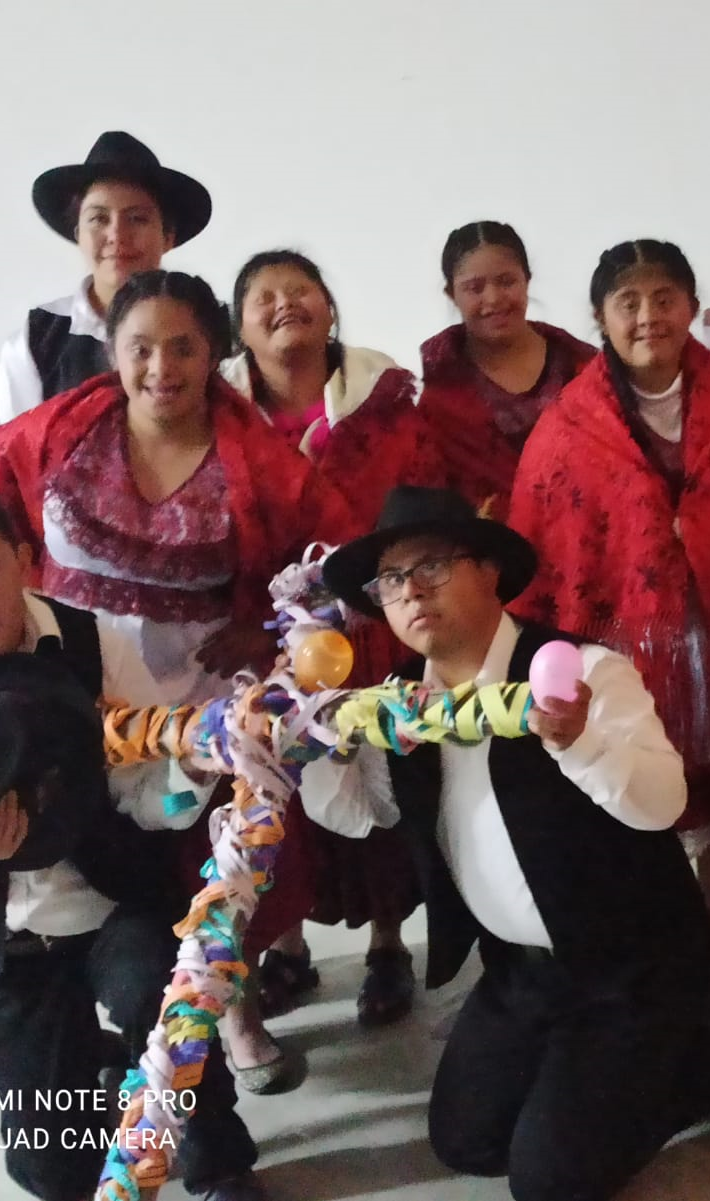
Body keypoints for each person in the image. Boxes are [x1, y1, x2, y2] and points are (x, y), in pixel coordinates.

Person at [307, 485, 710, 1201]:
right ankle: (598, 1073)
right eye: (391, 580)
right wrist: (314, 737)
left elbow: (664, 802)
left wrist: (577, 741)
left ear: (488, 569)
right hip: (520, 973)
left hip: (632, 966)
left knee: (548, 1183)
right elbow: (359, 812)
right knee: (467, 1142)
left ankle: (709, 1053)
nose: (411, 592)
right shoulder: (399, 703)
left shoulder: (580, 671)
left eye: (431, 565)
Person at [0, 270, 353, 1092]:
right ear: (113, 352)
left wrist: (265, 625)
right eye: (140, 348)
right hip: (75, 678)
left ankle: (233, 1010)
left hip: (199, 682)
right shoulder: (60, 431)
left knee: (213, 851)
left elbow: (329, 565)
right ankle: (115, 1012)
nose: (161, 367)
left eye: (182, 348)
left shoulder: (260, 460)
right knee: (89, 846)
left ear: (215, 354)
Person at [0, 483, 263, 1201]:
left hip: (117, 901)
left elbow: (149, 796)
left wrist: (190, 772)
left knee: (165, 1005)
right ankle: (93, 1068)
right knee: (55, 1168)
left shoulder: (95, 645)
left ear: (25, 561)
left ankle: (219, 1159)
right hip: (0, 939)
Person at [508, 240, 710, 1016]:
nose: (648, 316)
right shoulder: (569, 425)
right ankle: (663, 953)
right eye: (628, 302)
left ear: (692, 306)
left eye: (664, 298)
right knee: (635, 791)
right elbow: (546, 541)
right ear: (600, 317)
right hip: (620, 646)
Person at [220, 248, 439, 1025]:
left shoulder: (386, 404)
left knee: (385, 793)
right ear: (240, 327)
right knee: (276, 799)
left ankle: (388, 945)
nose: (285, 304)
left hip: (376, 628)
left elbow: (420, 504)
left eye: (301, 290)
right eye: (264, 296)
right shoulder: (218, 417)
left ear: (330, 308)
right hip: (264, 640)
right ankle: (288, 948)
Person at [0, 131, 212, 426]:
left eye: (137, 218)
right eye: (99, 219)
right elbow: (7, 449)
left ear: (168, 236)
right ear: (78, 234)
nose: (117, 235)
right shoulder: (38, 340)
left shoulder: (209, 326)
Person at [417, 221, 597, 519]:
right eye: (475, 288)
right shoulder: (440, 398)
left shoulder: (586, 371)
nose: (493, 299)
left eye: (506, 282)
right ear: (451, 293)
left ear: (527, 279)